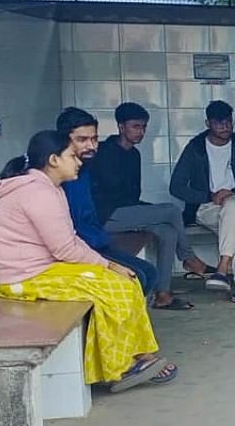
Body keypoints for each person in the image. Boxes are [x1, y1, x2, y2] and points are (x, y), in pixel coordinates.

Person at [0, 130, 174, 392]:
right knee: (115, 288)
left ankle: (138, 355)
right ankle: (117, 369)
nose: (78, 161)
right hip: (25, 277)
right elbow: (65, 248)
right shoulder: (37, 193)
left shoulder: (48, 188)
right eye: (72, 156)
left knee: (125, 281)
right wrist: (108, 265)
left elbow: (70, 240)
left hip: (47, 268)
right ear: (54, 160)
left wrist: (108, 265)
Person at [92, 102, 212, 310]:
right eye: (136, 127)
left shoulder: (134, 154)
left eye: (144, 127)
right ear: (121, 127)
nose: (141, 132)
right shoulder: (104, 152)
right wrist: (149, 213)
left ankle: (163, 295)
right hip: (104, 216)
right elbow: (109, 194)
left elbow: (132, 194)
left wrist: (147, 212)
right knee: (171, 210)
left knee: (167, 232)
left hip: (125, 212)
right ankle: (189, 258)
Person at [169, 100, 235, 306]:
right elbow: (176, 187)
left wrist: (233, 192)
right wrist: (208, 196)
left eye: (229, 122)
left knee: (233, 206)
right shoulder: (195, 148)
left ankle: (222, 269)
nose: (225, 127)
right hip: (207, 207)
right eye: (219, 122)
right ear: (208, 123)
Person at [55, 107, 159, 298]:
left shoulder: (84, 169)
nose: (91, 146)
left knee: (149, 273)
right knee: (137, 278)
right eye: (82, 140)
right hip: (75, 252)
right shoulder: (57, 176)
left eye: (94, 139)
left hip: (96, 242)